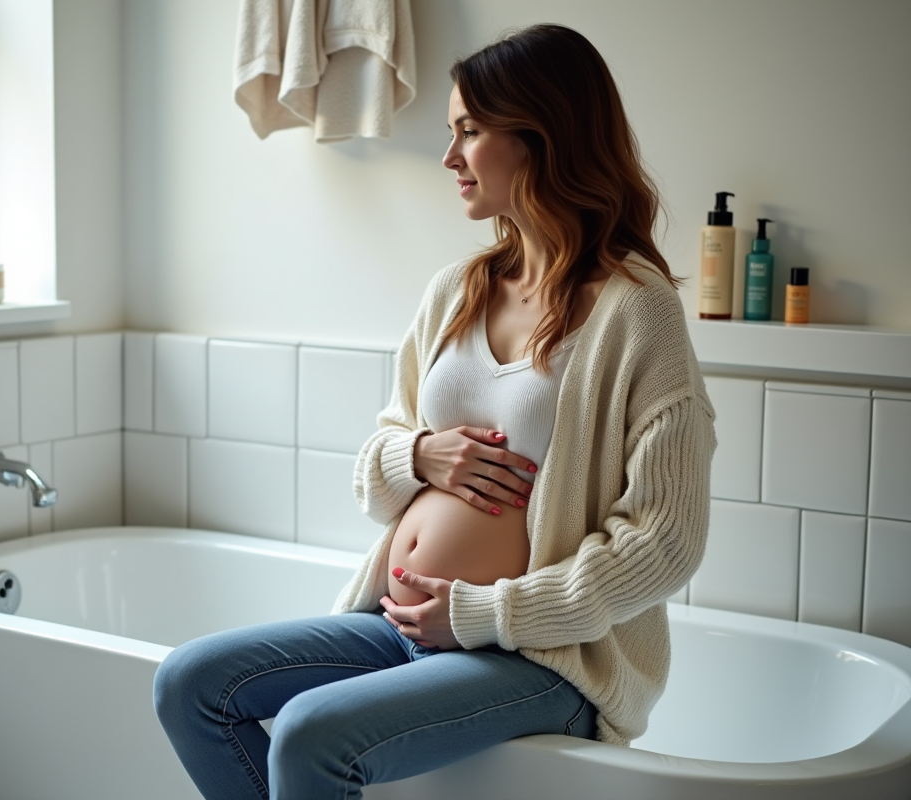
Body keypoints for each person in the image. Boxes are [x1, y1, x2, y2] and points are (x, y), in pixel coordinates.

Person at [153, 23, 715, 800]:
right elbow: (377, 467)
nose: (449, 157)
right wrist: (416, 455)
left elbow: (666, 542)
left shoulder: (635, 311)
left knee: (313, 736)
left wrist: (484, 614)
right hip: (401, 623)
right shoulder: (457, 289)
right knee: (189, 683)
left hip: (542, 657)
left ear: (542, 135)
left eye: (470, 132)